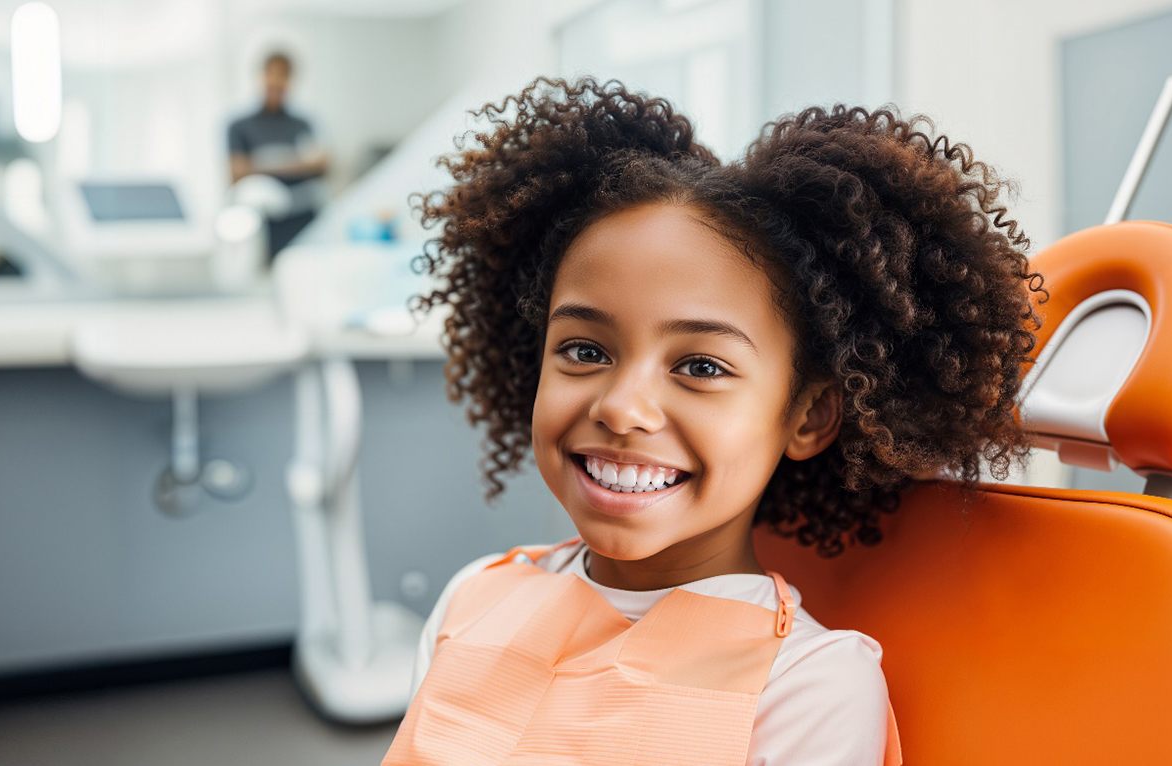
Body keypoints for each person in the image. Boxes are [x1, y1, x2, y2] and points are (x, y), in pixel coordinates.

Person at [385, 76, 1045, 765]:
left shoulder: (807, 686)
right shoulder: (474, 597)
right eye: (585, 350)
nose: (620, 406)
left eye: (700, 366)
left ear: (809, 416)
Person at [227, 50, 328, 263]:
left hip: (302, 219)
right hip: (262, 225)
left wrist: (259, 163)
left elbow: (321, 165)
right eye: (271, 73)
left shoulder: (302, 125)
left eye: (283, 75)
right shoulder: (240, 127)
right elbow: (237, 172)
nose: (276, 80)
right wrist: (297, 163)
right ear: (261, 76)